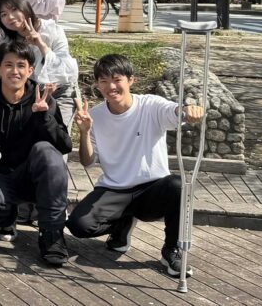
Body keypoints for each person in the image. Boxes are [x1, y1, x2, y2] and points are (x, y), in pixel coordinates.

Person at [66, 54, 205, 278]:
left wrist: (188, 110)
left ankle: (171, 250)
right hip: (114, 189)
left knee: (178, 185)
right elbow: (87, 161)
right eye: (103, 81)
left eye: (117, 79)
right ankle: (122, 224)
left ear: (131, 80)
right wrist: (84, 133)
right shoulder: (94, 115)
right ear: (97, 84)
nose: (111, 87)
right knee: (78, 225)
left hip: (151, 189)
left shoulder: (150, 105)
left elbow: (174, 111)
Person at [0, 41, 72, 266]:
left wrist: (44, 117)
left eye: (21, 65)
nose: (15, 71)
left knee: (47, 152)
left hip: (32, 177)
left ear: (30, 70)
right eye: (8, 65)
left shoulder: (44, 99)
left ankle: (52, 234)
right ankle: (8, 220)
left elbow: (64, 145)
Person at [0, 0, 79, 125]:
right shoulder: (5, 40)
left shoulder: (52, 30)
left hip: (60, 92)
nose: (10, 17)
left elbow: (69, 71)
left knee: (58, 133)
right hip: (28, 96)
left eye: (14, 9)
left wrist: (41, 44)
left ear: (25, 7)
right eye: (3, 14)